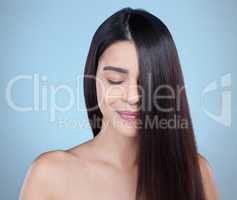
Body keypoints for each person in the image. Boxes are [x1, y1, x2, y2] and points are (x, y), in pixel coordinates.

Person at [19, 7, 219, 200]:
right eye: (115, 80)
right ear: (92, 78)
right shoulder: (49, 174)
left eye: (147, 83)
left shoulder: (196, 173)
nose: (133, 97)